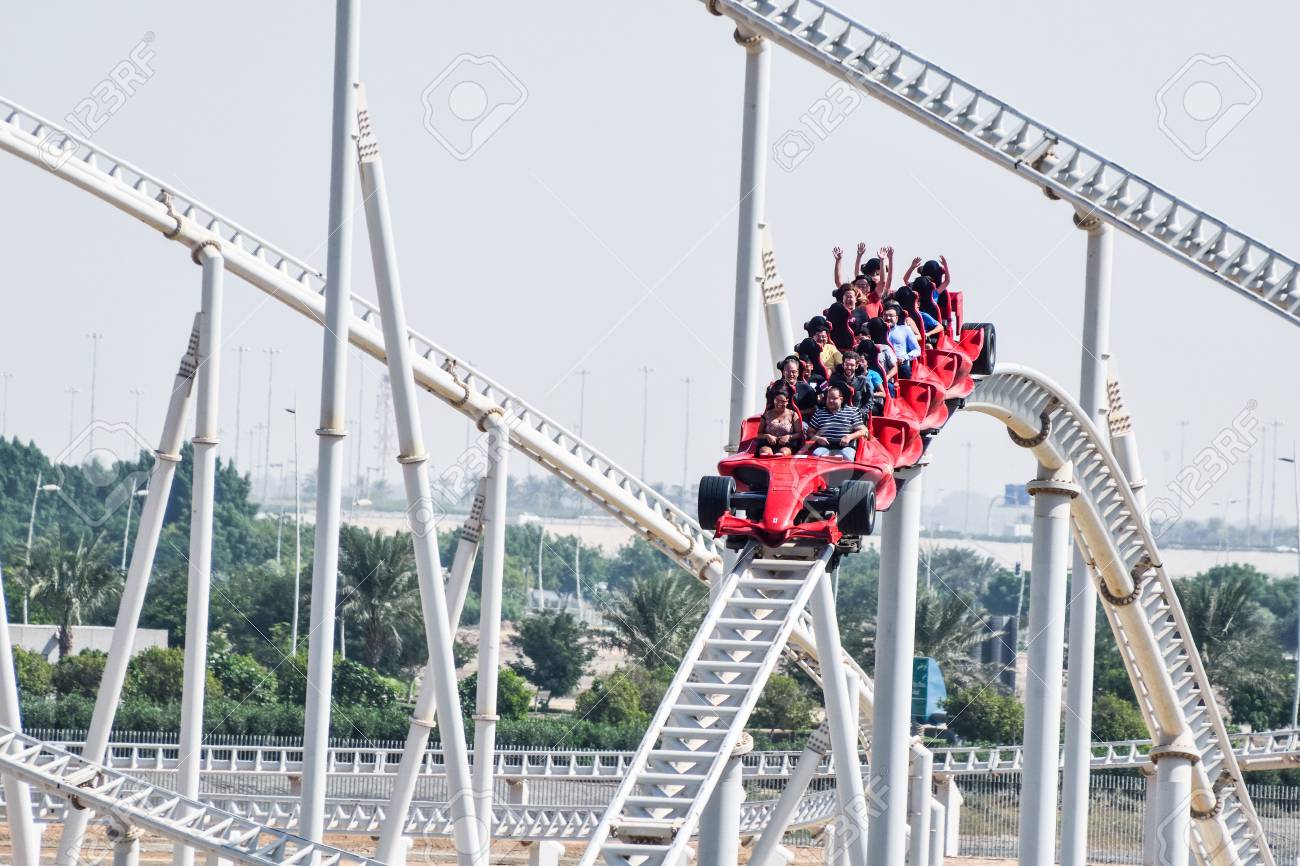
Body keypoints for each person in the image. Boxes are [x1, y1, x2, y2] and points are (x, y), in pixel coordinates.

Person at [804, 385, 868, 459]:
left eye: (834, 398)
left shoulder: (852, 412)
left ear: (841, 399)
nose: (830, 401)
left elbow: (863, 431)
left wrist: (850, 437)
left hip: (845, 446)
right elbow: (809, 432)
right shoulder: (819, 413)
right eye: (829, 398)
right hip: (824, 446)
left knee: (846, 457)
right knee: (816, 456)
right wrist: (817, 439)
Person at [757, 381, 804, 456]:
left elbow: (799, 433)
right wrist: (767, 436)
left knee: (782, 453)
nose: (779, 404)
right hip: (768, 444)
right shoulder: (766, 415)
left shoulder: (793, 414)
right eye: (777, 400)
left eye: (782, 401)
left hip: (787, 444)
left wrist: (788, 437)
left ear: (787, 401)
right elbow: (758, 434)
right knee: (765, 453)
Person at [883, 304, 921, 378]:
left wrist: (904, 358)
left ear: (896, 318)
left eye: (891, 315)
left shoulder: (905, 330)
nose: (887, 318)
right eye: (885, 315)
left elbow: (917, 350)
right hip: (884, 364)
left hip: (900, 364)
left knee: (905, 370)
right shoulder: (878, 330)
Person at [825, 284, 866, 350]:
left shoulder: (861, 313)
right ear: (842, 299)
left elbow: (865, 329)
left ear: (855, 299)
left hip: (854, 347)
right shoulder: (836, 311)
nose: (848, 299)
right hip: (837, 347)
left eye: (851, 297)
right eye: (846, 297)